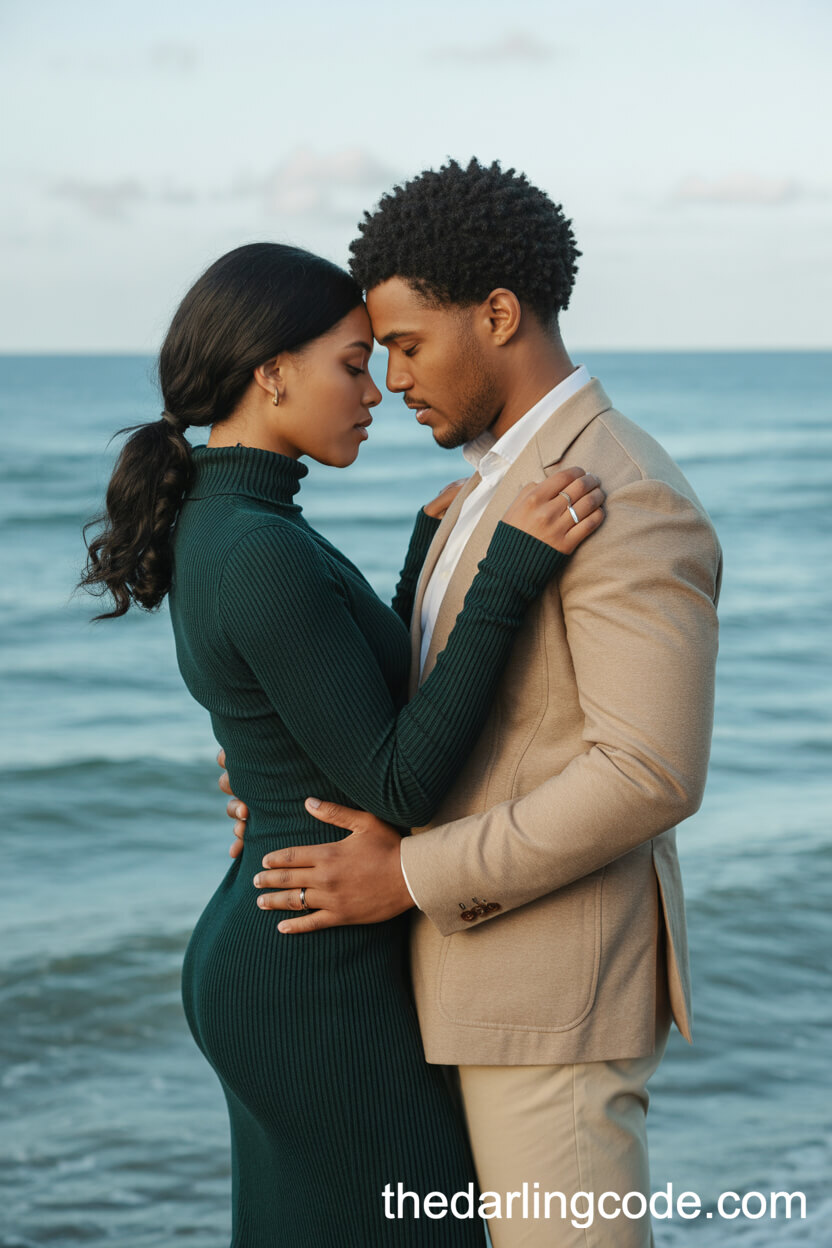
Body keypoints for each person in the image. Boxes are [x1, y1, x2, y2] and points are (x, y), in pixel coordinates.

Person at [224, 161, 722, 1247]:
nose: (390, 378)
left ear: (498, 314)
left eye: (406, 344)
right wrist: (285, 784)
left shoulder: (617, 491)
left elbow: (649, 772)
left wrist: (406, 874)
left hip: (552, 1006)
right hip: (470, 993)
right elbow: (443, 713)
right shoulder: (496, 485)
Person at [78, 240, 606, 1247]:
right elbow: (398, 780)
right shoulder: (260, 550)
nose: (380, 390)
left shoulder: (234, 521)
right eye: (353, 364)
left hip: (284, 946)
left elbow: (334, 705)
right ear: (270, 371)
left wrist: (419, 564)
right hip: (310, 978)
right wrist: (508, 575)